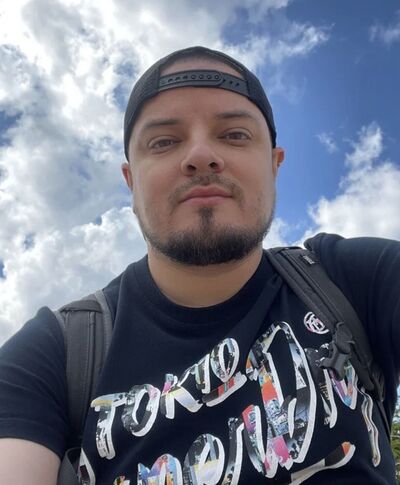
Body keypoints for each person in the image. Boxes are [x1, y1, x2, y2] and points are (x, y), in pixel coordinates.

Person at [0, 45, 399, 484]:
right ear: (131, 182)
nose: (202, 155)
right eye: (164, 141)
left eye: (235, 135)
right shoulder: (53, 353)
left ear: (274, 165)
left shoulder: (355, 281)